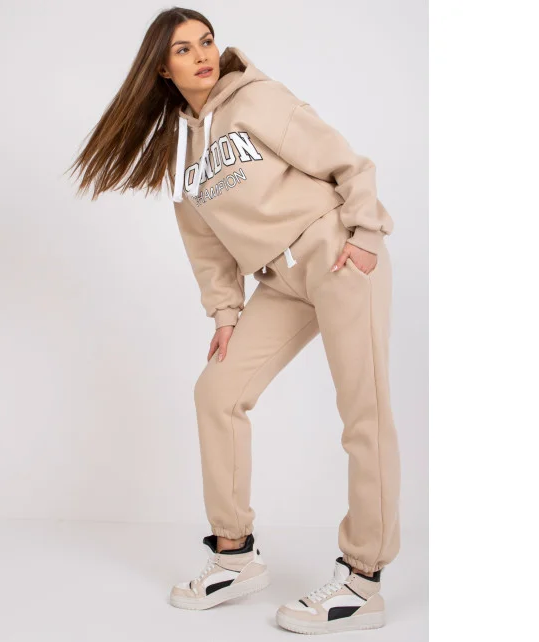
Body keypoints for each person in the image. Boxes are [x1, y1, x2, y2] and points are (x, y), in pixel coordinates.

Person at [68, 7, 401, 635]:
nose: (202, 55)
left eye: (206, 41)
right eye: (183, 49)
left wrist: (364, 235)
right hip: (281, 280)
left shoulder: (256, 98)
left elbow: (347, 162)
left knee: (364, 412)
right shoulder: (179, 152)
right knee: (216, 394)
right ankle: (234, 554)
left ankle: (363, 579)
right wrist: (226, 313)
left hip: (336, 255)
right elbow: (205, 244)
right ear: (161, 70)